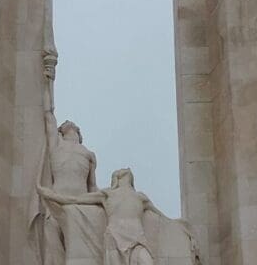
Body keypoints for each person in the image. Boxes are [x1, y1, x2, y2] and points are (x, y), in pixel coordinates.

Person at [36, 51, 99, 265]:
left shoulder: (89, 154)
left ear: (79, 133)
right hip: (55, 199)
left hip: (81, 205)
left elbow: (93, 188)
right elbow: (48, 115)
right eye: (66, 123)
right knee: (53, 253)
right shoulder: (57, 144)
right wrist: (47, 82)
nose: (70, 123)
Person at [38, 169, 169, 265]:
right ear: (116, 178)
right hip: (115, 237)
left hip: (137, 239)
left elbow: (161, 216)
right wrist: (50, 195)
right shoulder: (107, 194)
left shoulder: (140, 197)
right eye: (122, 172)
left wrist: (182, 228)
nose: (126, 172)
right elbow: (75, 199)